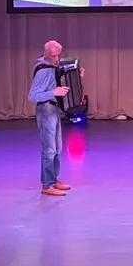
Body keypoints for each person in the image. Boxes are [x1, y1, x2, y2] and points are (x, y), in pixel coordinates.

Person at [28, 40, 84, 196]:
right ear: (46, 54)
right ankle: (47, 185)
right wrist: (53, 93)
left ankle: (53, 180)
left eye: (58, 55)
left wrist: (77, 77)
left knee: (57, 148)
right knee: (49, 149)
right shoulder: (42, 70)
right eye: (53, 56)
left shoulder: (54, 68)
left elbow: (62, 85)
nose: (57, 59)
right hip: (45, 110)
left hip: (54, 109)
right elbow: (32, 95)